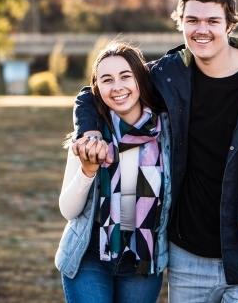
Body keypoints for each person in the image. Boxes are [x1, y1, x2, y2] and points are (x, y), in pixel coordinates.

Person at [72, 0, 238, 303]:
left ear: (230, 24)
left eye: (213, 21)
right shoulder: (168, 75)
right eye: (192, 21)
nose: (202, 30)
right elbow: (94, 94)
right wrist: (89, 133)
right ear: (181, 23)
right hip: (187, 258)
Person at [55, 40, 172, 303]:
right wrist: (87, 171)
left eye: (125, 77)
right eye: (107, 80)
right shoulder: (89, 138)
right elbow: (68, 211)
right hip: (90, 259)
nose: (117, 87)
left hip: (142, 263)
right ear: (98, 89)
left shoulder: (167, 135)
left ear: (141, 80)